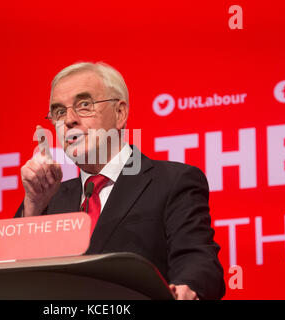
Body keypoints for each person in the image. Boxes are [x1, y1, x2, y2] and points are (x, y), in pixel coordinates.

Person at [15, 62, 225, 300]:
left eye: (84, 105)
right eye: (59, 112)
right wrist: (33, 206)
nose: (69, 120)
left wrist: (187, 287)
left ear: (120, 113)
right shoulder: (46, 200)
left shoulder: (172, 182)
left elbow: (198, 260)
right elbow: (11, 279)